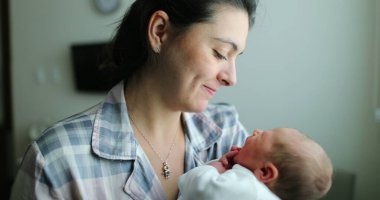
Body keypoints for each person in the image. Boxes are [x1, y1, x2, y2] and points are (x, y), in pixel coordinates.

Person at [10, 0, 258, 199]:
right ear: (160, 31)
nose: (231, 78)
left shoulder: (228, 133)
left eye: (237, 57)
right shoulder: (57, 161)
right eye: (220, 53)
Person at [178, 128, 333, 200]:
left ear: (265, 172)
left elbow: (195, 186)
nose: (256, 131)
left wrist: (218, 166)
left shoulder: (249, 190)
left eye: (262, 136)